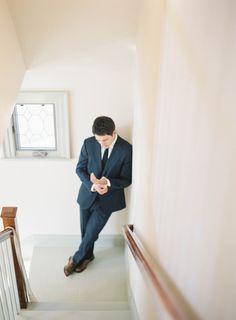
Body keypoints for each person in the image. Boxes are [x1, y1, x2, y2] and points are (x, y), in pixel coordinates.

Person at [64, 116, 132, 276]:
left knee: (91, 232)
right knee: (85, 230)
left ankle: (74, 259)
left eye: (105, 140)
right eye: (98, 140)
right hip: (87, 195)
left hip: (107, 201)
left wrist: (107, 183)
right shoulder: (88, 143)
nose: (101, 144)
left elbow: (127, 178)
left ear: (114, 133)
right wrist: (93, 185)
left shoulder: (126, 149)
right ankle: (88, 256)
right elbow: (80, 169)